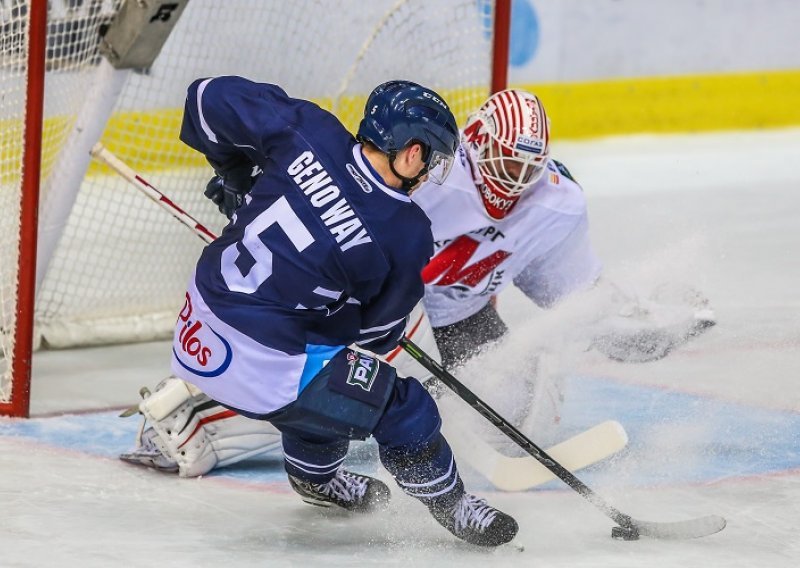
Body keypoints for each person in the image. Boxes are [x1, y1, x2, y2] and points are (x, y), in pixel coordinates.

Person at [122, 88, 713, 494]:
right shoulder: (431, 169)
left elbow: (573, 295)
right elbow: (332, 203)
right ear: (477, 144)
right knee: (348, 377)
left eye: (526, 171)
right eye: (504, 165)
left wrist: (639, 328)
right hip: (379, 300)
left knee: (503, 410)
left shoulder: (558, 204)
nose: (514, 183)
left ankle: (383, 422)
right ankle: (196, 415)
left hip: (462, 309)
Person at [143, 75, 519, 547]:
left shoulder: (309, 129)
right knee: (401, 404)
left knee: (328, 375)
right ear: (411, 152)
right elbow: (378, 336)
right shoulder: (406, 233)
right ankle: (452, 504)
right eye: (431, 161)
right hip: (267, 367)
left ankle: (316, 482)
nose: (427, 176)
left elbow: (205, 97)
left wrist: (238, 180)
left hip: (195, 326)